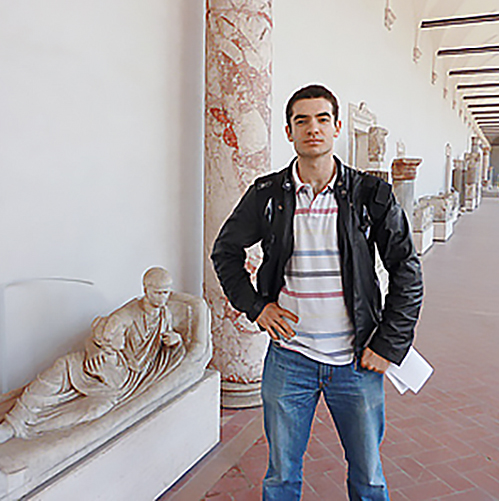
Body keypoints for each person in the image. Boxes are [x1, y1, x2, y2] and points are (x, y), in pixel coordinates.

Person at [211, 84, 424, 501]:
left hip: (357, 361)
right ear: (289, 132)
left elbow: (406, 270)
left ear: (338, 127)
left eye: (323, 119)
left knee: (369, 477)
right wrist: (256, 307)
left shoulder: (370, 195)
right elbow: (226, 251)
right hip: (290, 361)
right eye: (302, 121)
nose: (313, 128)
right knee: (281, 478)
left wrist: (389, 342)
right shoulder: (267, 195)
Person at [0, 267, 185, 443]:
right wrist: (95, 349)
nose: (163, 298)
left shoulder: (165, 315)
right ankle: (12, 422)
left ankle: (32, 428)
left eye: (166, 292)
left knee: (95, 409)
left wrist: (175, 340)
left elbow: (166, 352)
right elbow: (97, 337)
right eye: (158, 292)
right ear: (146, 290)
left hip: (123, 379)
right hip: (103, 362)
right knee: (63, 366)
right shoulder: (126, 315)